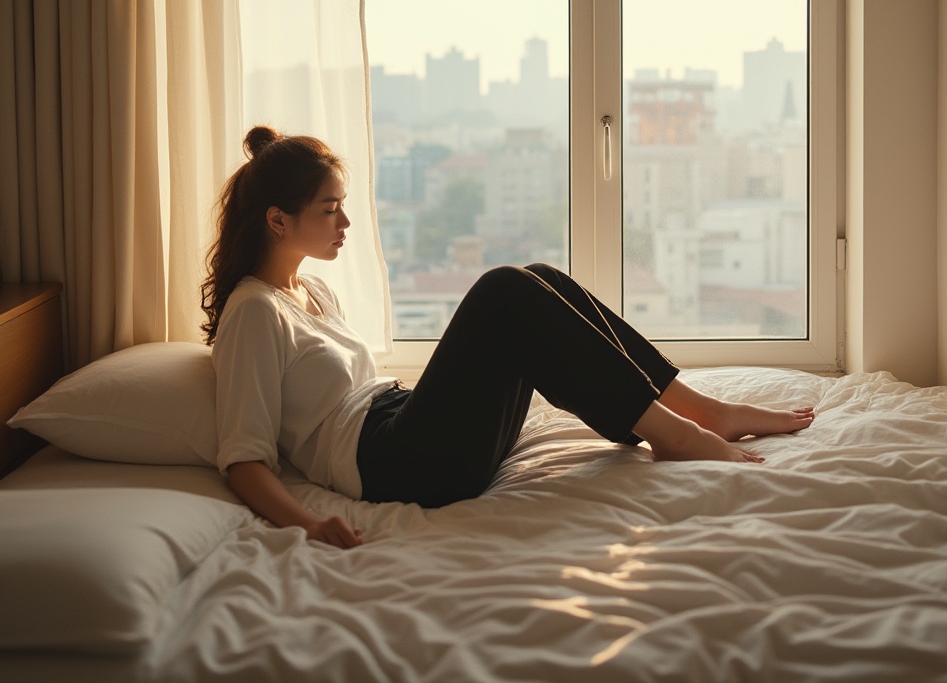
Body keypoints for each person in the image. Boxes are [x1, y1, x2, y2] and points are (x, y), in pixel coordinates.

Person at [201, 126, 815, 548]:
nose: (346, 222)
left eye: (342, 205)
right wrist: (308, 525)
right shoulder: (253, 312)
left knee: (536, 279)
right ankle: (678, 433)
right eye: (329, 209)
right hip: (397, 463)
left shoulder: (309, 291)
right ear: (278, 220)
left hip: (403, 426)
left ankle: (700, 410)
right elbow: (244, 459)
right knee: (503, 290)